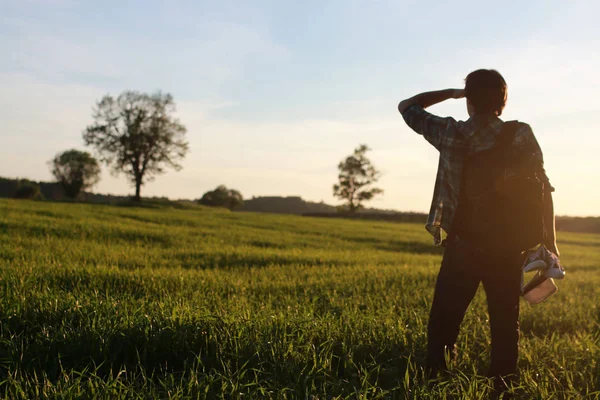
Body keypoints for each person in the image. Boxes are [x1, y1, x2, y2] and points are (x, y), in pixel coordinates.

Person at [397, 69, 559, 389]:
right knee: (503, 321)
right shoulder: (519, 134)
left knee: (445, 318)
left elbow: (407, 106)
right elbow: (543, 190)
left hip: (463, 244)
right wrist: (551, 245)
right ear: (503, 101)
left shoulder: (449, 132)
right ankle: (503, 385)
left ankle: (436, 382)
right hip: (507, 246)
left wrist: (454, 93)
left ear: (469, 100)